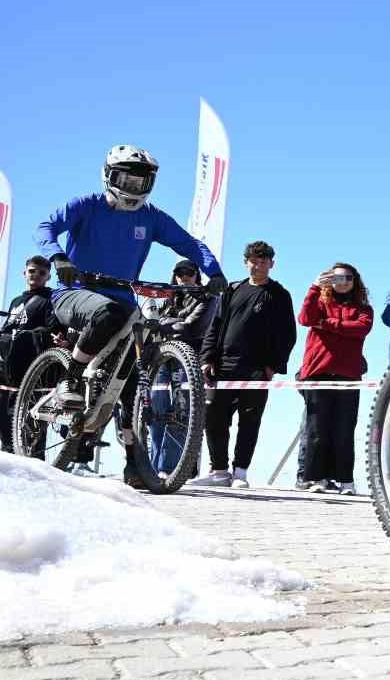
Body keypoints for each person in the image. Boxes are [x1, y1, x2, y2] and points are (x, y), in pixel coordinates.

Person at [34, 146, 225, 414]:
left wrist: (214, 272)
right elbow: (45, 227)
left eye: (140, 182)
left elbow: (189, 244)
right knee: (109, 313)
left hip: (122, 299)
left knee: (137, 350)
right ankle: (70, 379)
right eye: (126, 181)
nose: (133, 188)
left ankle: (121, 435)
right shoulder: (86, 206)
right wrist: (58, 257)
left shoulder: (151, 217)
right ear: (109, 176)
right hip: (73, 292)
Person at [192, 241, 296, 489]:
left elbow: (288, 335)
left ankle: (240, 472)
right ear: (245, 262)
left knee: (249, 421)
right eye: (253, 260)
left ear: (271, 264)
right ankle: (219, 471)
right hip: (223, 366)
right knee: (215, 417)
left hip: (256, 369)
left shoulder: (280, 295)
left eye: (263, 261)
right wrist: (206, 358)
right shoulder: (232, 289)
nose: (257, 265)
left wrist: (273, 366)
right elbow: (215, 325)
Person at [297, 262, 374, 494]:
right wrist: (313, 288)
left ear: (355, 281)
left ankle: (345, 480)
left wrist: (326, 323)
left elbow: (360, 328)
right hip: (318, 372)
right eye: (338, 278)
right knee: (316, 429)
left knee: (344, 429)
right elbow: (305, 318)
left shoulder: (363, 307)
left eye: (348, 278)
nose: (343, 282)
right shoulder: (320, 301)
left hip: (348, 375)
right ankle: (316, 478)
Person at [141, 259, 215, 478]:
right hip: (161, 360)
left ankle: (168, 468)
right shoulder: (166, 295)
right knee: (155, 414)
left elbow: (190, 327)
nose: (184, 276)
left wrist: (163, 322)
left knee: (181, 415)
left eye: (189, 273)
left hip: (187, 362)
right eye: (180, 273)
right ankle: (153, 469)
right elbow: (148, 319)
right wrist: (168, 321)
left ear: (196, 275)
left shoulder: (207, 297)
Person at [1, 256, 56, 454]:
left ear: (48, 276)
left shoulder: (50, 298)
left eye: (42, 273)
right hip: (8, 370)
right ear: (24, 273)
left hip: (33, 375)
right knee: (5, 424)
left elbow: (52, 330)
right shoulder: (16, 301)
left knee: (32, 429)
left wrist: (22, 336)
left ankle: (35, 474)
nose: (36, 275)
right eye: (32, 271)